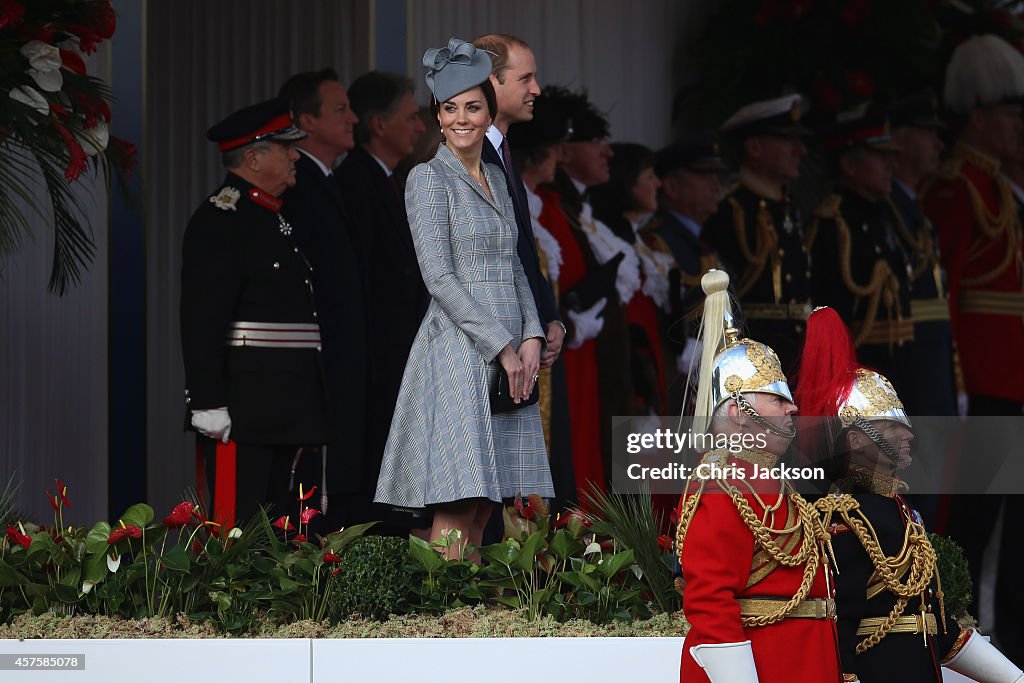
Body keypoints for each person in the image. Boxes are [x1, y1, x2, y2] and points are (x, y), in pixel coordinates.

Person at [374, 38, 553, 558]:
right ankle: (442, 618)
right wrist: (502, 345)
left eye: (472, 107)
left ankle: (466, 617)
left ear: (488, 111)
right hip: (458, 350)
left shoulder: (497, 175)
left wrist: (533, 336)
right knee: (459, 498)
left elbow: (515, 264)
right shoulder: (427, 179)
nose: (460, 119)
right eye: (449, 108)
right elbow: (439, 279)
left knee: (484, 504)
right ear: (437, 114)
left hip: (510, 352)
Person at [797, 307, 1023, 683]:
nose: (908, 436)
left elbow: (938, 626)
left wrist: (1013, 678)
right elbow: (838, 626)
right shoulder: (843, 519)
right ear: (856, 440)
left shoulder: (902, 510)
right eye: (891, 427)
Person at [675, 269, 840, 682]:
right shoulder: (719, 482)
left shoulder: (773, 481)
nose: (792, 409)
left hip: (805, 659)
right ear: (738, 412)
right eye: (776, 399)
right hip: (768, 665)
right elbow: (711, 603)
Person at [180, 96, 329, 528]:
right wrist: (207, 402)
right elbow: (202, 319)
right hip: (243, 411)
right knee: (236, 532)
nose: (295, 155)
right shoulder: (221, 220)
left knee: (281, 533)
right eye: (285, 148)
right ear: (252, 157)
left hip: (286, 407)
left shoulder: (271, 216)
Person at [921, 35, 1024, 657]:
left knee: (1007, 531)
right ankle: (964, 641)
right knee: (975, 529)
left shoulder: (998, 189)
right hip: (980, 384)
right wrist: (956, 379)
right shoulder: (957, 188)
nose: (1018, 128)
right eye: (1010, 115)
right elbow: (948, 293)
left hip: (1007, 384)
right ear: (980, 116)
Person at [336, 71, 432, 532]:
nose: (420, 127)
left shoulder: (392, 181)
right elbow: (364, 285)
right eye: (411, 117)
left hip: (399, 361)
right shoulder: (356, 182)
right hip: (378, 366)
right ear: (378, 125)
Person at [278, 69, 367, 529]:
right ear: (306, 122)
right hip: (319, 365)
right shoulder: (300, 188)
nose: (354, 118)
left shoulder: (327, 181)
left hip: (344, 366)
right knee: (316, 502)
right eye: (340, 109)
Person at [542, 84, 638, 491]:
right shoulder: (550, 208)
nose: (607, 151)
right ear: (564, 149)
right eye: (595, 140)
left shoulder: (576, 210)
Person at [806, 105, 914, 399]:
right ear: (849, 165)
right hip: (858, 372)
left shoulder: (886, 217)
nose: (891, 166)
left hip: (898, 369)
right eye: (880, 157)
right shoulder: (834, 224)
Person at [473, 33, 566, 369]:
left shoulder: (500, 152)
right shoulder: (470, 158)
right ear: (489, 82)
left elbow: (522, 250)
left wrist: (551, 317)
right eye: (525, 78)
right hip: (491, 349)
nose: (536, 89)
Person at [702, 94, 813, 373]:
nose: (801, 150)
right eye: (788, 141)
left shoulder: (784, 207)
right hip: (753, 357)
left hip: (796, 353)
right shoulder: (731, 209)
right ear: (755, 147)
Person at [591, 142, 675, 418]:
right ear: (627, 183)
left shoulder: (637, 240)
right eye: (649, 176)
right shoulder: (611, 240)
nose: (658, 184)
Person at [887, 89, 957, 418]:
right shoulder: (889, 212)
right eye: (928, 134)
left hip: (933, 376)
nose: (939, 145)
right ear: (900, 142)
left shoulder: (913, 209)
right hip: (912, 380)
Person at [649, 131, 727, 411]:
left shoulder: (695, 238)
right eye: (705, 178)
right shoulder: (660, 240)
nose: (717, 186)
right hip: (683, 380)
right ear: (671, 186)